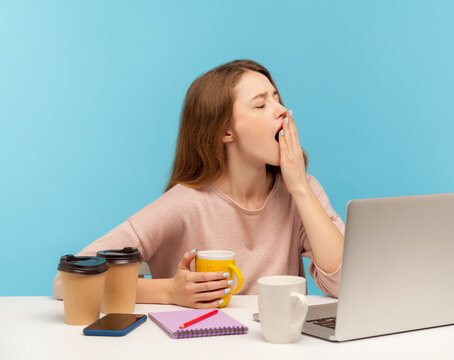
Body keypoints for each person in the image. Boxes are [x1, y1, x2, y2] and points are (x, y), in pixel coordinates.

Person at [53, 59, 345, 309]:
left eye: (277, 97)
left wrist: (300, 189)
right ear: (226, 132)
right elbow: (67, 282)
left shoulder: (303, 190)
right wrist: (167, 291)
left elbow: (344, 282)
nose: (281, 110)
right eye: (260, 104)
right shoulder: (184, 203)